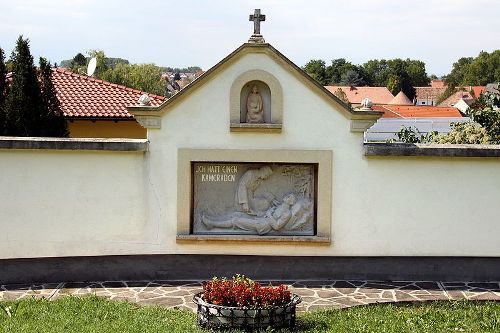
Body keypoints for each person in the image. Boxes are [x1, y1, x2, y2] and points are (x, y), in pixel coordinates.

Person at [202, 193, 297, 235]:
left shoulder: (287, 213)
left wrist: (269, 215)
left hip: (263, 225)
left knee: (236, 220)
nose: (286, 196)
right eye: (287, 195)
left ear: (291, 202)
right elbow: (266, 212)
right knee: (237, 214)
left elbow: (277, 226)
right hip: (260, 218)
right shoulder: (279, 205)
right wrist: (255, 213)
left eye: (290, 197)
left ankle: (211, 224)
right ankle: (214, 219)